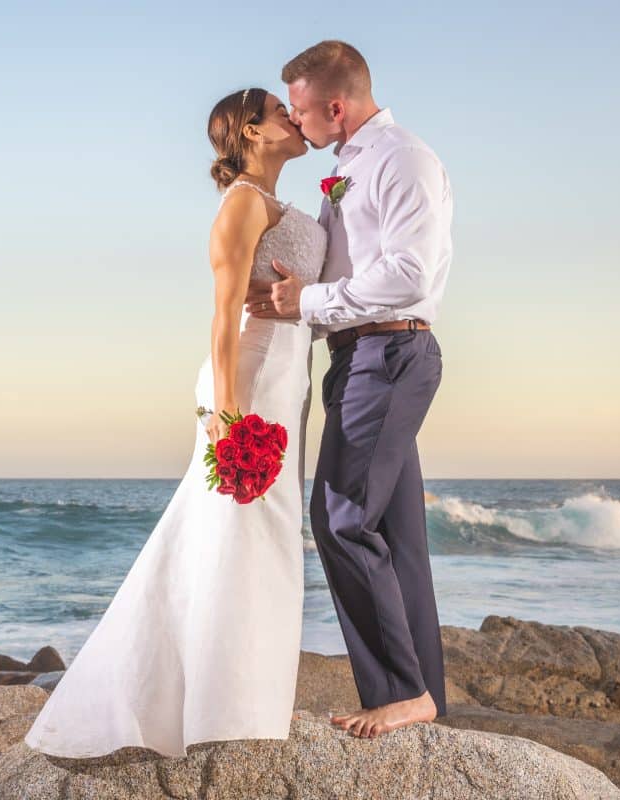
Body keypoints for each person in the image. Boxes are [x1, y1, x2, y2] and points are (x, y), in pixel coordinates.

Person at [23, 87, 326, 758]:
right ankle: (210, 703)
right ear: (250, 131)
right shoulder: (243, 203)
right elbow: (222, 315)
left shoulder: (280, 204)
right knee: (234, 531)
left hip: (287, 380)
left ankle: (242, 695)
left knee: (261, 536)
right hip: (248, 381)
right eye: (280, 111)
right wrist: (227, 417)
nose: (294, 118)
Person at [247, 40, 453, 739]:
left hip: (390, 351)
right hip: (362, 355)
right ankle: (424, 700)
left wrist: (305, 302)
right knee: (396, 535)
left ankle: (399, 690)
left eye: (300, 110)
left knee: (339, 517)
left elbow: (407, 276)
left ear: (336, 106)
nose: (296, 122)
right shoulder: (347, 168)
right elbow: (335, 279)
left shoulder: (402, 160)